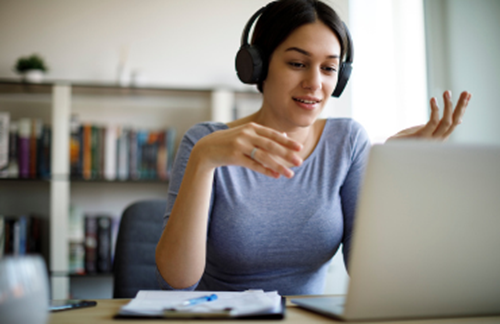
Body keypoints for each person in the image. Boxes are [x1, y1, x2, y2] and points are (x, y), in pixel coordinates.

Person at [155, 0, 472, 295]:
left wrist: (392, 176)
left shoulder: (347, 142)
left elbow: (371, 273)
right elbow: (179, 278)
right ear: (258, 66)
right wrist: (204, 160)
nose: (315, 83)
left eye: (329, 68)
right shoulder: (205, 143)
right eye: (297, 63)